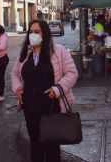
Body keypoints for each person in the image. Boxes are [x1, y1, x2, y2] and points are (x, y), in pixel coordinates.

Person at [10, 20, 78, 162]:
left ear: (45, 33)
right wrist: (18, 88)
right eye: (31, 32)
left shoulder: (58, 51)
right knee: (35, 144)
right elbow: (15, 74)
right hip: (30, 107)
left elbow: (72, 73)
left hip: (51, 106)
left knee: (51, 144)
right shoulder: (25, 53)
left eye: (37, 32)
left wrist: (57, 89)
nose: (33, 35)